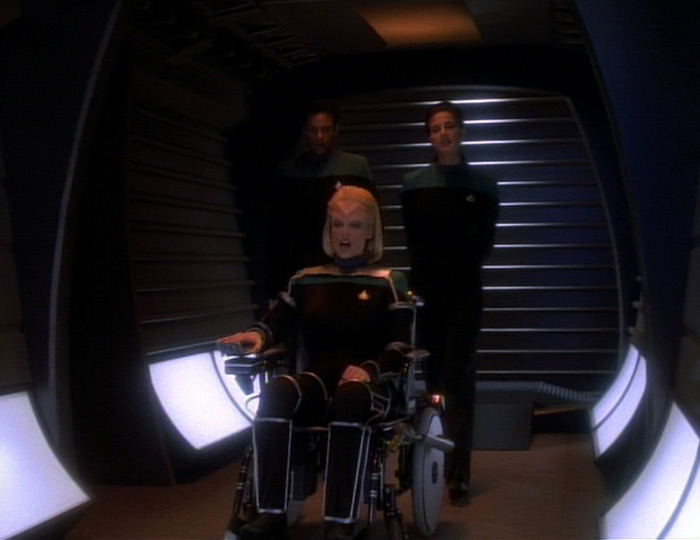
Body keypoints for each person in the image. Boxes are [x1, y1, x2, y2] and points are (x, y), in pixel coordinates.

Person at [219, 186, 414, 540]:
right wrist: (257, 336)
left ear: (370, 232)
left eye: (355, 225)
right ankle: (270, 514)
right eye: (338, 224)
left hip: (372, 387)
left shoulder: (388, 282)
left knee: (350, 395)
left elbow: (400, 346)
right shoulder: (305, 280)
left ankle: (340, 522)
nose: (345, 233)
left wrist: (369, 371)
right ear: (328, 229)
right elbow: (275, 323)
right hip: (320, 383)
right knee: (277, 391)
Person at [401, 101, 500, 506]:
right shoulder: (413, 184)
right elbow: (413, 243)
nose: (443, 134)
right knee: (432, 379)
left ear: (461, 131)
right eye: (436, 128)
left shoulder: (484, 185)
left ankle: (459, 474)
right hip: (426, 295)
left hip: (465, 293)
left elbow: (486, 242)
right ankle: (429, 464)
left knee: (460, 379)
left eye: (450, 126)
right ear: (429, 136)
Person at [267, 100, 378, 298]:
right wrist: (277, 285)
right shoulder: (288, 171)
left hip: (348, 269)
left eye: (325, 130)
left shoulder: (356, 167)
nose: (319, 137)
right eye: (313, 130)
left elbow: (372, 220)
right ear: (305, 130)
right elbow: (278, 233)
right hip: (302, 270)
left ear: (336, 130)